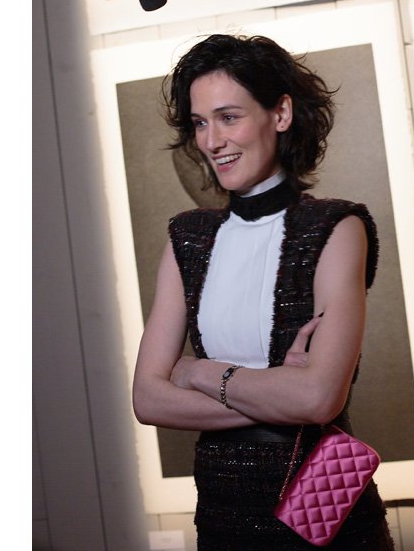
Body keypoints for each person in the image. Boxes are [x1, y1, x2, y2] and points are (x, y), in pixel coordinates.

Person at [132, 34, 395, 549]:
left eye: (228, 117)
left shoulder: (336, 227)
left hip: (324, 511)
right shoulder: (188, 238)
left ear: (281, 113)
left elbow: (319, 398)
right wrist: (279, 395)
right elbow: (148, 399)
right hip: (223, 515)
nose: (212, 141)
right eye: (200, 123)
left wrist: (198, 373)